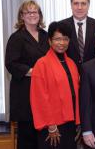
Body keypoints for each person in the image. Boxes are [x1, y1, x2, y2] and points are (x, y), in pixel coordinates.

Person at [5, 0, 49, 149]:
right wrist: (34, 72)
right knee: (27, 139)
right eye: (27, 12)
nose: (32, 15)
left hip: (44, 92)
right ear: (21, 16)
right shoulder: (16, 37)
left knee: (44, 138)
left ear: (40, 15)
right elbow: (11, 64)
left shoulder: (46, 36)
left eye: (35, 11)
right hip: (25, 94)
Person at [30, 21, 80, 149]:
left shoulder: (71, 64)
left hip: (71, 123)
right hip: (52, 127)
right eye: (57, 39)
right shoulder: (41, 64)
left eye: (65, 39)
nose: (62, 43)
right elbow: (39, 99)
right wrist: (51, 126)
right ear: (50, 41)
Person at [60, 0, 95, 71]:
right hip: (68, 73)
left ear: (88, 6)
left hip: (93, 73)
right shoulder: (61, 26)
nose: (79, 7)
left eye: (83, 4)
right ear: (71, 5)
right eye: (76, 3)